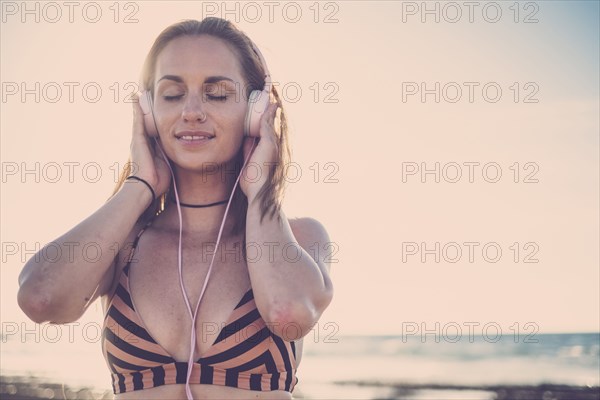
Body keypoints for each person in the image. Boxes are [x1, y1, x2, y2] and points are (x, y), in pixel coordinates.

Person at [17, 17, 334, 400]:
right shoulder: (122, 243)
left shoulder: (300, 237)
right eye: (171, 94)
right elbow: (40, 298)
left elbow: (288, 314)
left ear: (256, 111)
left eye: (216, 94)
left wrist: (261, 188)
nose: (192, 111)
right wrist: (140, 186)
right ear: (149, 113)